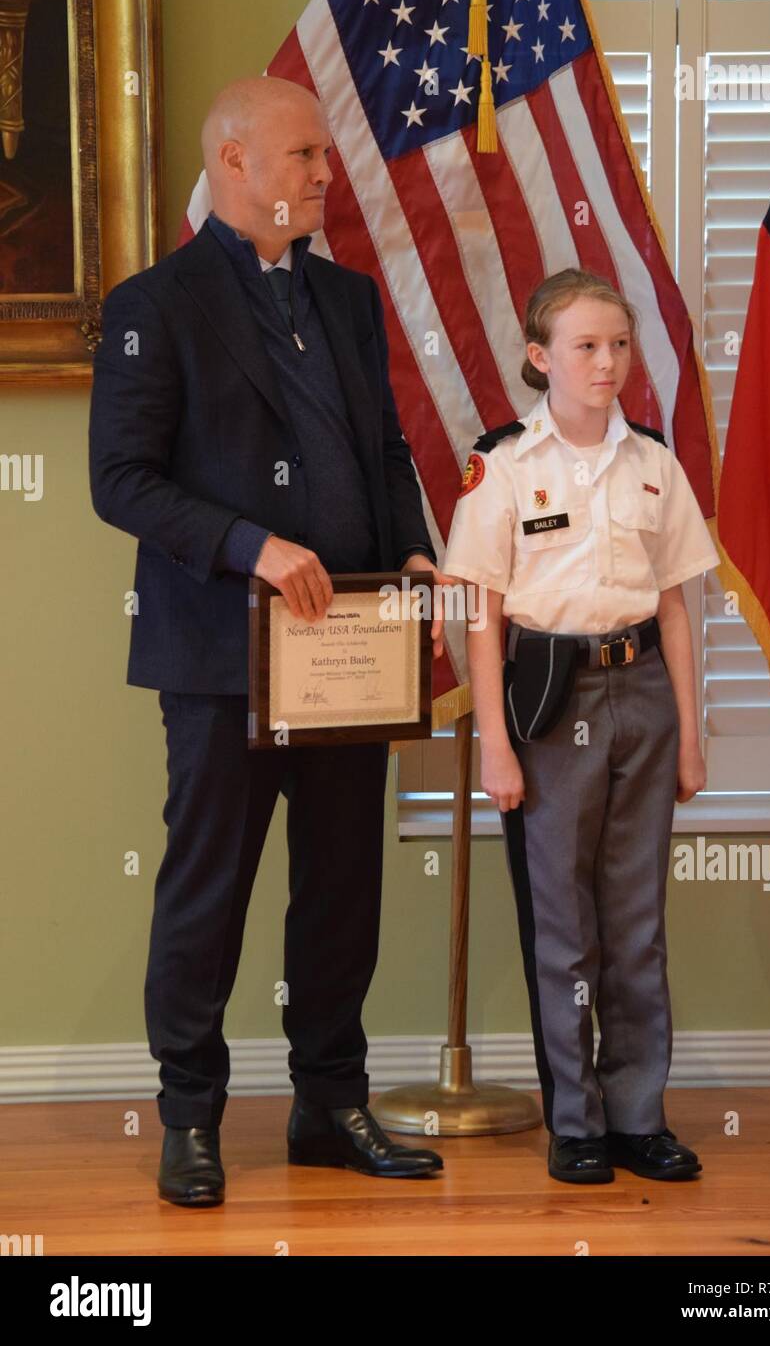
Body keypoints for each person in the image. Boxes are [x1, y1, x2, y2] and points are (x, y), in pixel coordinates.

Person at [88, 76, 448, 1205]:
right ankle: (189, 1115)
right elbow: (119, 481)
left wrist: (415, 554)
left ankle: (329, 1104)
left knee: (342, 886)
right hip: (218, 660)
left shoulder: (347, 300)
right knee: (207, 888)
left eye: (321, 158)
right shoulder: (155, 302)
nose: (321, 174)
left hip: (352, 646)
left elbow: (384, 447)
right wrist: (251, 544)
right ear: (234, 163)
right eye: (302, 156)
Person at [443, 268, 721, 1185]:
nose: (607, 363)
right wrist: (494, 741)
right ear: (539, 357)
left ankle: (640, 1113)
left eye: (618, 345)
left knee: (637, 919)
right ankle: (577, 1121)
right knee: (564, 924)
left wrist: (690, 730)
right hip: (551, 704)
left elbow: (678, 607)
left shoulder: (653, 463)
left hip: (639, 688)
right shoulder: (505, 466)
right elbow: (479, 611)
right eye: (585, 347)